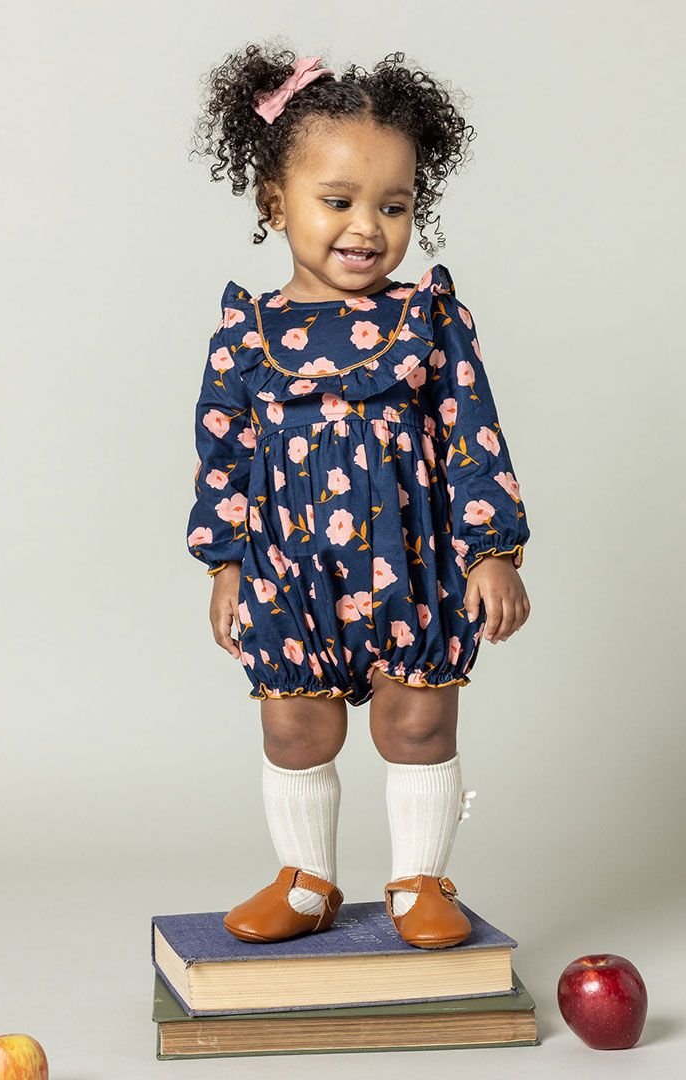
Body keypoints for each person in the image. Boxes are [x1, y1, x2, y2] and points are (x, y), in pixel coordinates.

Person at [185, 45, 532, 950]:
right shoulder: (246, 336)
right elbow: (223, 457)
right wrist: (224, 567)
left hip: (410, 565)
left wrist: (492, 551)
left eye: (393, 205)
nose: (367, 228)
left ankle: (420, 879)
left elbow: (473, 435)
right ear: (275, 203)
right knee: (294, 729)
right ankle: (306, 880)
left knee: (418, 723)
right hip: (288, 573)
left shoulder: (429, 319)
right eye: (337, 202)